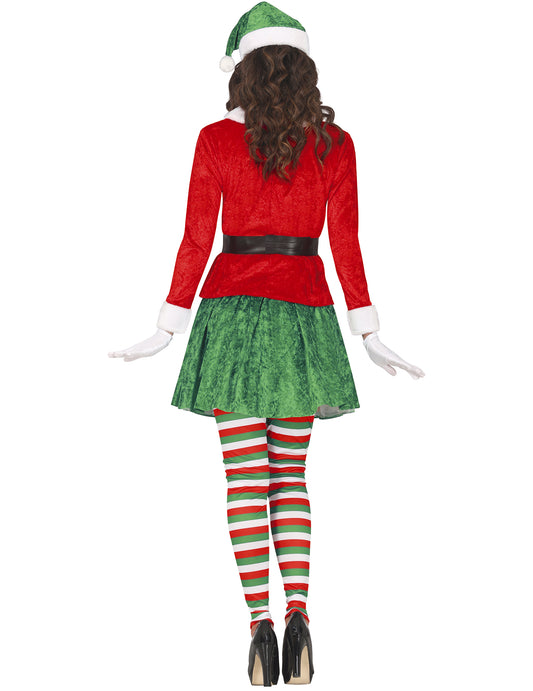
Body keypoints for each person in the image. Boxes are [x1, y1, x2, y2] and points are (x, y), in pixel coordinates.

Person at [109, 2, 425, 686]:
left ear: (241, 72)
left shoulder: (213, 141)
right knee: (290, 477)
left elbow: (196, 238)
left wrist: (166, 326)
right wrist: (369, 331)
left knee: (245, 479)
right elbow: (346, 242)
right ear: (304, 69)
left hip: (230, 316)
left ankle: (258, 627)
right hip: (304, 315)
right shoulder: (335, 144)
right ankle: (300, 615)